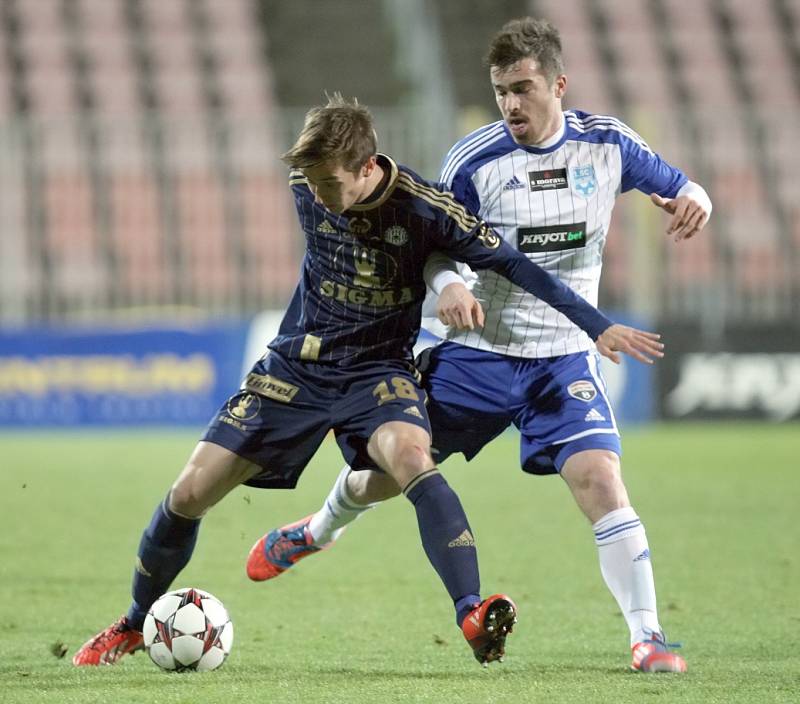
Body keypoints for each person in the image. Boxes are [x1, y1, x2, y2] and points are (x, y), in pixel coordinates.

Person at [72, 93, 661, 668]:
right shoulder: (308, 184)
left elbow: (513, 264)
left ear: (368, 168)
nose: (321, 197)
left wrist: (596, 325)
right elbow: (318, 196)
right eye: (314, 185)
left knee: (412, 456)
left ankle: (471, 612)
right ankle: (130, 623)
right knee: (189, 493)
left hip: (378, 370)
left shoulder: (426, 209)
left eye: (332, 185)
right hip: (296, 366)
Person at [247, 18, 712, 674]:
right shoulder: (476, 160)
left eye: (523, 89)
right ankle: (315, 531)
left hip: (561, 360)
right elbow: (435, 244)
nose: (512, 104)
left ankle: (649, 636)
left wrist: (698, 203)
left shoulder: (608, 145)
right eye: (501, 92)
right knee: (386, 472)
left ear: (558, 84)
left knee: (601, 481)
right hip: (477, 353)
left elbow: (683, 185)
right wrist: (450, 285)